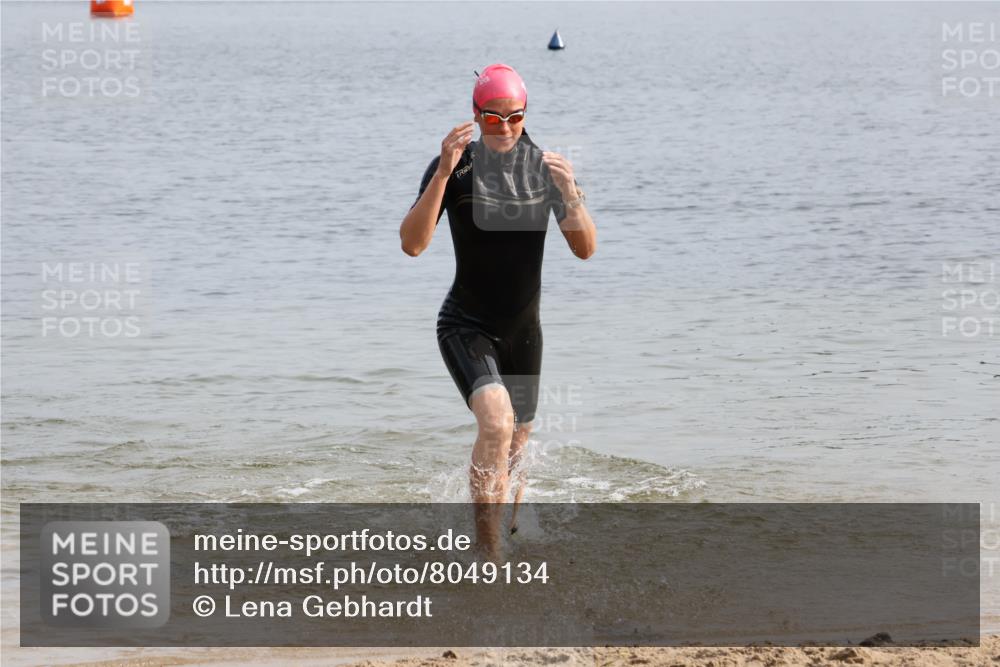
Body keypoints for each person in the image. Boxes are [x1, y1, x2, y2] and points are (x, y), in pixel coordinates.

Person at [399, 63, 596, 558]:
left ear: (525, 114)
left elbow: (586, 249)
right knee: (496, 423)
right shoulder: (455, 166)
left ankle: (508, 535)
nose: (504, 127)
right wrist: (441, 174)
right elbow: (412, 245)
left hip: (524, 332)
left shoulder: (545, 168)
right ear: (475, 113)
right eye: (492, 118)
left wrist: (570, 193)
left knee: (517, 442)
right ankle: (487, 555)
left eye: (514, 117)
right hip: (466, 325)